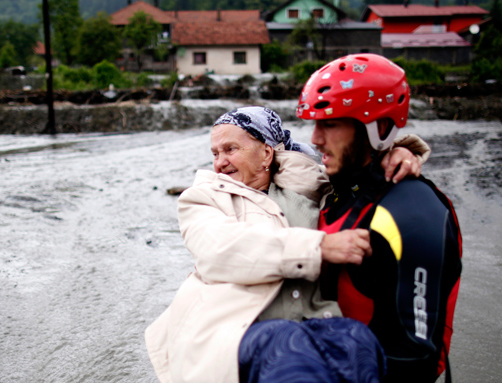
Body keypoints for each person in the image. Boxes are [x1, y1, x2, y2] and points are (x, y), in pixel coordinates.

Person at [145, 106, 427, 383]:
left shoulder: (311, 185)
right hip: (234, 328)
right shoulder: (203, 198)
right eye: (215, 153)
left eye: (230, 149)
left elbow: (352, 159)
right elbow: (220, 249)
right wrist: (319, 247)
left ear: (267, 153)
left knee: (358, 342)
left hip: (311, 319)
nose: (219, 162)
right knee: (287, 346)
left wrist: (396, 152)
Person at [297, 53, 462, 382]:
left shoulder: (413, 211)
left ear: (379, 127)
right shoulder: (337, 190)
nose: (315, 140)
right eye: (314, 124)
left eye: (330, 124)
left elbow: (414, 358)